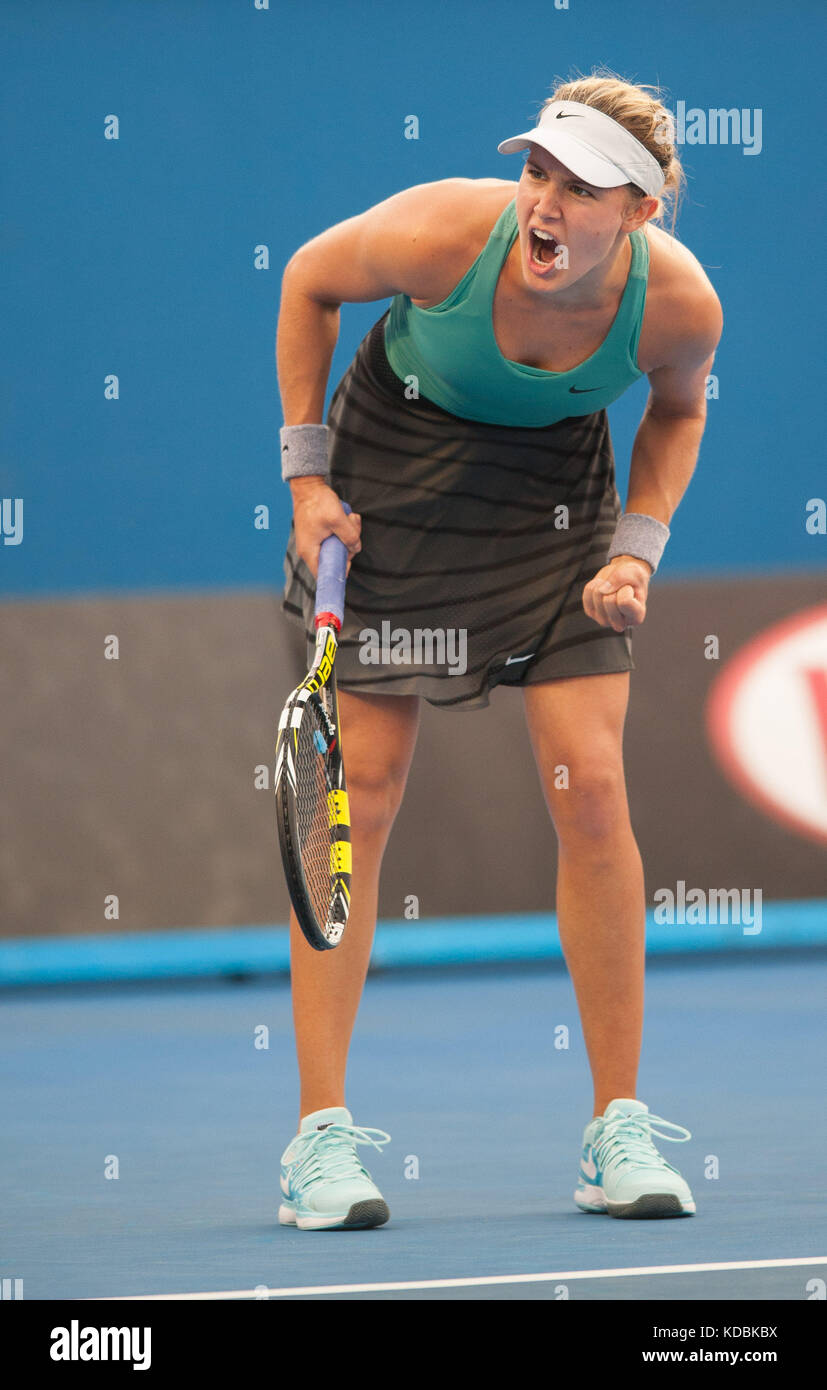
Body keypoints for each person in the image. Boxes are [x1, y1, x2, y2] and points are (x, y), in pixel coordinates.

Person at [275, 73, 723, 1230]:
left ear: (638, 213)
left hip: (552, 511)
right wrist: (308, 476)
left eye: (583, 187)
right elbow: (309, 282)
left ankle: (614, 1126)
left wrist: (636, 547)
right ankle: (318, 1139)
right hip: (392, 480)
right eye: (537, 172)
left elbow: (676, 408)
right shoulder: (439, 230)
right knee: (358, 797)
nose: (546, 202)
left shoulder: (675, 304)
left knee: (593, 791)